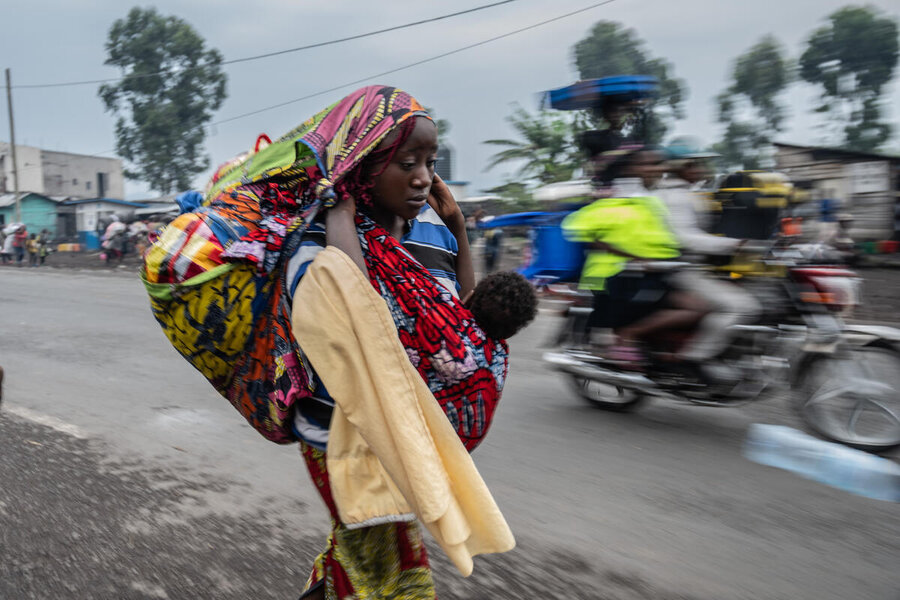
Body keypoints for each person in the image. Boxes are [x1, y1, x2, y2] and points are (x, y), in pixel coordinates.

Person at [265, 86, 535, 599]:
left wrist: (456, 226)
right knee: (392, 575)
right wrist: (340, 212)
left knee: (359, 561)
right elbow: (357, 317)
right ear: (364, 167)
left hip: (411, 430)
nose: (423, 177)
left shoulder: (432, 235)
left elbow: (464, 324)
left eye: (430, 162)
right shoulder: (318, 238)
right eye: (406, 162)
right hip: (346, 431)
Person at [563, 145, 707, 368]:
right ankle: (625, 338)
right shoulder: (620, 197)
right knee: (691, 306)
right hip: (615, 276)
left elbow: (667, 238)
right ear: (631, 168)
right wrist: (632, 257)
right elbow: (579, 228)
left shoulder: (652, 199)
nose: (659, 169)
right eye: (650, 164)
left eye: (659, 163)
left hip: (648, 273)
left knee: (696, 305)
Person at [658, 142, 761, 382]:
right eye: (697, 163)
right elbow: (685, 238)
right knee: (742, 306)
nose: (703, 168)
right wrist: (733, 244)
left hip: (700, 266)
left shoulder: (690, 193)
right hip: (682, 269)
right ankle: (695, 358)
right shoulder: (674, 196)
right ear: (682, 167)